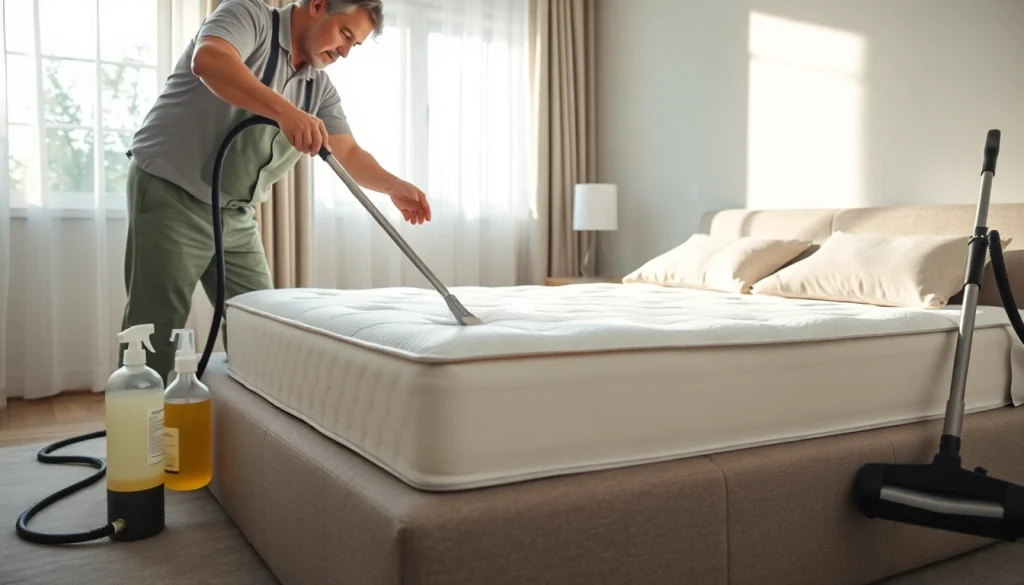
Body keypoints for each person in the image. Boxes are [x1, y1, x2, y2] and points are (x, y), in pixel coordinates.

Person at [121, 0, 430, 382]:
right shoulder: (248, 16)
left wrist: (392, 185)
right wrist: (285, 111)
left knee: (260, 324)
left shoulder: (318, 89)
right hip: (171, 193)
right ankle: (140, 419)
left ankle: (245, 417)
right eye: (345, 34)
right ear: (317, 5)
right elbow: (210, 61)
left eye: (355, 45)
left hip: (235, 215)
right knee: (154, 328)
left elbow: (348, 152)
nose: (345, 52)